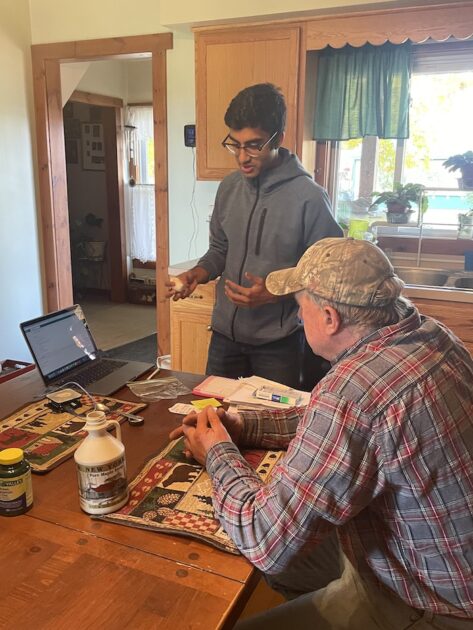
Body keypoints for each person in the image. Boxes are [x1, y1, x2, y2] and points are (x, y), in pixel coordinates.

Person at [169, 238, 473, 629]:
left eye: (300, 307)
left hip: (433, 604)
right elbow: (348, 426)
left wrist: (217, 451)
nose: (298, 318)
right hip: (439, 564)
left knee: (250, 586)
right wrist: (246, 426)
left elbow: (263, 537)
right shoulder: (430, 334)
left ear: (330, 317)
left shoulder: (353, 391)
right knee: (292, 561)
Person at [167, 83, 342, 389]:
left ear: (279, 139)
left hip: (280, 345)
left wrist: (274, 292)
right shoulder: (229, 187)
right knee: (214, 415)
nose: (242, 157)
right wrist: (197, 273)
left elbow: (328, 276)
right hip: (224, 338)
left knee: (272, 430)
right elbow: (220, 249)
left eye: (254, 145)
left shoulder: (309, 198)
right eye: (235, 144)